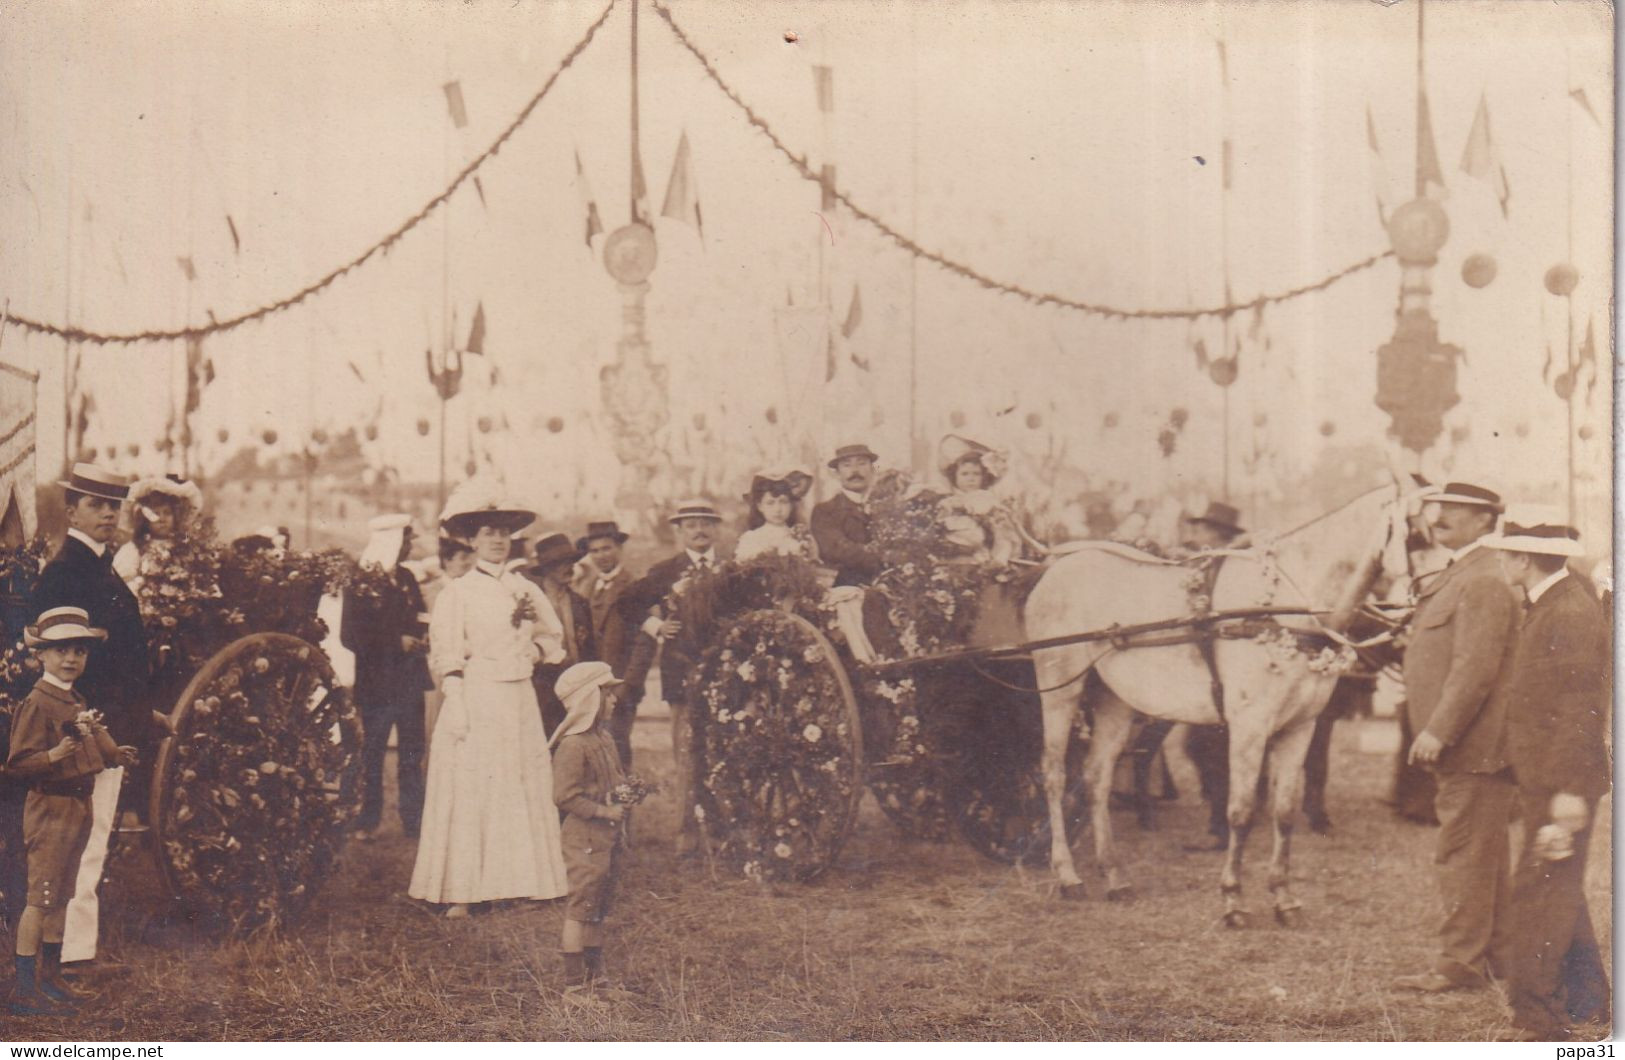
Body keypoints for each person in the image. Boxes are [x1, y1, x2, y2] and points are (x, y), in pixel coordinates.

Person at [408, 483, 569, 918]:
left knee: (516, 784)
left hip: (517, 696)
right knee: (475, 785)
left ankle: (520, 883)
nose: (497, 540)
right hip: (476, 697)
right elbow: (446, 652)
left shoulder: (525, 589)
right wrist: (456, 698)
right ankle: (464, 890)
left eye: (503, 533)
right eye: (487, 533)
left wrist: (530, 654)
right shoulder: (458, 592)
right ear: (472, 541)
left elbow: (553, 637)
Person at [1482, 522, 1610, 1040]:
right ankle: (1590, 1001)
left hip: (1561, 783)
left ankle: (1539, 1021)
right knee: (1560, 890)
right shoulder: (1555, 603)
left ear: (1523, 560)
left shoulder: (1569, 612)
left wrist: (1568, 794)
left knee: (1541, 894)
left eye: (1506, 555)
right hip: (1548, 778)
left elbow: (1582, 709)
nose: (1502, 564)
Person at [1391, 482, 1518, 994]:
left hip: (1470, 745)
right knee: (1482, 853)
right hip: (1470, 745)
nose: (1439, 517)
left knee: (1462, 852)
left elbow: (1474, 669)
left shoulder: (1483, 577)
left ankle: (1458, 965)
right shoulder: (1462, 571)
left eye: (1455, 511)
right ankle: (1498, 957)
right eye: (1437, 509)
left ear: (1486, 520)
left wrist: (1438, 730)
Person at [30, 463, 150, 968]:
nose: (108, 514)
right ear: (71, 508)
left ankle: (69, 953)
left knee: (90, 841)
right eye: (97, 504)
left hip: (105, 727)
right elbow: (60, 664)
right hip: (83, 732)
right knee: (82, 844)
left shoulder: (99, 567)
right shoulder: (66, 572)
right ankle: (68, 957)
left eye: (114, 505)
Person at [6, 608, 135, 1016]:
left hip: (78, 804)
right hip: (50, 806)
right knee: (40, 896)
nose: (71, 659)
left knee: (63, 894)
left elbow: (93, 734)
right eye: (60, 650)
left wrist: (114, 753)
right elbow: (18, 763)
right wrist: (54, 754)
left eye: (79, 651)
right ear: (40, 656)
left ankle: (51, 978)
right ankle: (25, 988)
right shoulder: (37, 702)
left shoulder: (74, 697)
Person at [619, 499, 725, 856]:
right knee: (686, 754)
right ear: (679, 531)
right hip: (681, 673)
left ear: (716, 530)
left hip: (725, 677)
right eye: (691, 524)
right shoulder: (667, 571)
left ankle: (721, 832)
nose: (699, 530)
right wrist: (657, 626)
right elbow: (627, 603)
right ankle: (687, 834)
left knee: (721, 753)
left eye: (706, 524)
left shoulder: (730, 570)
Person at [341, 515, 432, 842]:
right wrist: (396, 642)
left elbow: (420, 613)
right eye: (406, 541)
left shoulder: (407, 577)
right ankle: (367, 819)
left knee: (411, 755)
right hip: (377, 686)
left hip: (409, 683)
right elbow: (349, 636)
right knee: (373, 755)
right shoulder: (361, 581)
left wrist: (423, 635)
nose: (409, 546)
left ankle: (413, 821)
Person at [550, 661, 633, 1005]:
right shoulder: (573, 745)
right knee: (581, 907)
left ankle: (597, 979)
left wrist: (626, 791)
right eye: (607, 693)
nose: (614, 700)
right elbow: (565, 796)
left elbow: (613, 778)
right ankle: (574, 987)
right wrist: (603, 810)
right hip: (584, 838)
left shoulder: (604, 737)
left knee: (598, 907)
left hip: (607, 838)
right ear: (588, 699)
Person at [1173, 501, 1247, 852]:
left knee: (1215, 748)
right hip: (1209, 669)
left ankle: (1222, 825)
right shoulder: (1206, 562)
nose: (1196, 534)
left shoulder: (1230, 564)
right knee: (1200, 746)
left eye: (1202, 529)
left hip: (1230, 670)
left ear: (1218, 533)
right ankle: (1223, 813)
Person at [570, 521, 640, 767]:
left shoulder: (634, 586)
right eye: (595, 551)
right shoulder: (585, 588)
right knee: (591, 747)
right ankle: (602, 803)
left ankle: (623, 803)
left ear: (619, 549)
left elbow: (643, 643)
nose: (601, 556)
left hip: (620, 683)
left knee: (617, 743)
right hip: (590, 685)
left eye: (607, 548)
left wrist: (627, 685)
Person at [527, 532, 597, 738]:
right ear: (546, 568)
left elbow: (590, 650)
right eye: (561, 563)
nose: (570, 567)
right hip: (542, 688)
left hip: (576, 686)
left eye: (572, 561)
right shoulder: (531, 603)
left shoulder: (580, 603)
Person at [933, 435, 1023, 566]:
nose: (971, 479)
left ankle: (998, 563)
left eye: (976, 474)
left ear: (984, 477)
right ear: (955, 476)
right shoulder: (950, 499)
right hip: (956, 551)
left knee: (1001, 535)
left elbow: (1000, 531)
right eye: (965, 474)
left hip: (982, 552)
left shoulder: (987, 498)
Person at [110, 475, 204, 593]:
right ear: (144, 519)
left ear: (176, 516)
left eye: (167, 513)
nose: (162, 519)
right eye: (155, 513)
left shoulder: (184, 547)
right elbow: (121, 584)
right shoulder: (136, 549)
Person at [809, 443, 882, 587]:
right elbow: (838, 551)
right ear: (836, 473)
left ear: (872, 470)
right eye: (847, 465)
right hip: (847, 591)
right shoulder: (825, 511)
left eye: (862, 464)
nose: (855, 471)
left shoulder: (886, 507)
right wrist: (885, 556)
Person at [735, 469, 818, 563]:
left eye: (783, 502)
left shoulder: (801, 538)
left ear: (791, 505)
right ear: (760, 506)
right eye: (770, 503)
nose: (777, 509)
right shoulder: (752, 539)